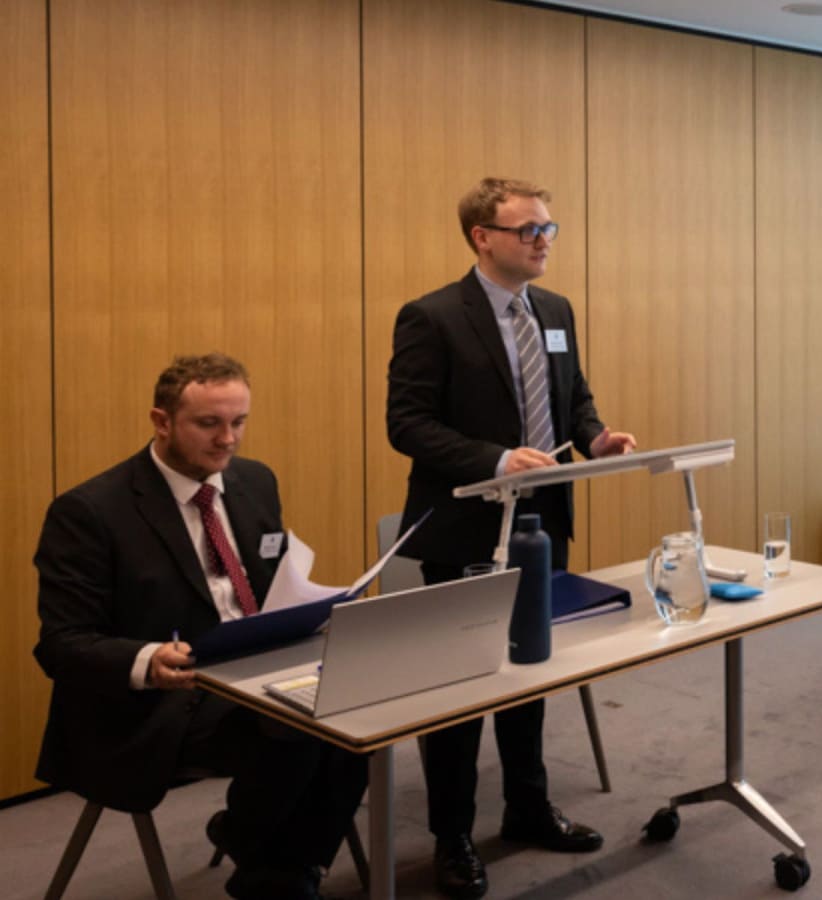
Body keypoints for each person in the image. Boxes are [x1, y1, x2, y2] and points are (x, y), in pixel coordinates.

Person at [33, 354, 368, 900]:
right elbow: (62, 644)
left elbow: (267, 587)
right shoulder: (90, 512)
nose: (228, 441)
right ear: (161, 422)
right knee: (298, 734)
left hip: (253, 671)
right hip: (162, 698)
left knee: (360, 719)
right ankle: (276, 876)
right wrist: (146, 660)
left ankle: (264, 850)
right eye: (209, 424)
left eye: (239, 422)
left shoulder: (254, 481)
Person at [387, 177, 635, 898]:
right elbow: (407, 424)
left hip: (542, 520)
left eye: (549, 229)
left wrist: (595, 436)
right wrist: (494, 460)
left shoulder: (554, 310)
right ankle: (453, 835)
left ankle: (527, 808)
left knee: (531, 675)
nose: (542, 240)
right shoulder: (432, 317)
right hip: (465, 523)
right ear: (482, 237)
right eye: (528, 229)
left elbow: (573, 396)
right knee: (460, 692)